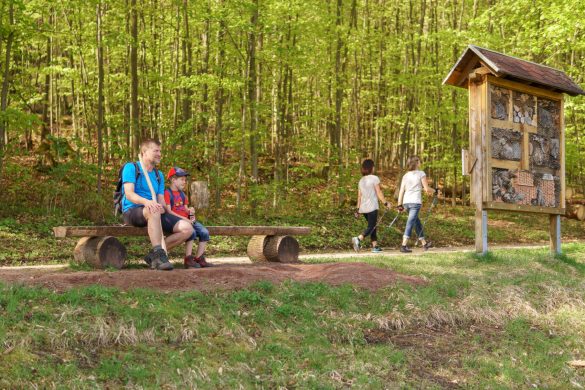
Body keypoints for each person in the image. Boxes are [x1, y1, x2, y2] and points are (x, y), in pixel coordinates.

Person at [121, 139, 194, 270]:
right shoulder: (131, 168)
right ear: (144, 152)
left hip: (154, 210)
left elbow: (160, 199)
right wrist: (146, 202)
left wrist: (163, 207)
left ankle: (153, 256)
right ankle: (160, 255)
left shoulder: (158, 175)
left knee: (187, 228)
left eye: (160, 151)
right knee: (153, 209)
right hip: (133, 211)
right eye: (156, 150)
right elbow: (129, 194)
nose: (159, 154)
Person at [164, 166, 212, 269]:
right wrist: (185, 220)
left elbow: (185, 209)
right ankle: (188, 259)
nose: (184, 182)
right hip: (178, 222)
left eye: (185, 180)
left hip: (187, 220)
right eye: (182, 179)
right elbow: (169, 211)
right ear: (173, 180)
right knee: (192, 233)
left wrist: (190, 211)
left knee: (204, 232)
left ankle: (199, 258)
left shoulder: (182, 194)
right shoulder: (167, 193)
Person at [397, 156, 434, 253]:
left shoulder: (405, 175)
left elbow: (401, 190)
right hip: (415, 202)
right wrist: (435, 191)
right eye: (419, 161)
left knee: (416, 222)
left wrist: (399, 205)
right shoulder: (421, 173)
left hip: (406, 202)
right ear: (416, 163)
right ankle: (403, 245)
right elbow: (426, 189)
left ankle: (424, 244)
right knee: (410, 222)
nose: (420, 162)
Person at [352, 159, 390, 253]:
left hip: (363, 208)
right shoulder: (374, 178)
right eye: (373, 166)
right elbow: (379, 192)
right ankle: (358, 239)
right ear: (371, 168)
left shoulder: (361, 180)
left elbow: (359, 196)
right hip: (372, 206)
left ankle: (375, 246)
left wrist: (357, 209)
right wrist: (385, 203)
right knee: (372, 226)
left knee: (373, 226)